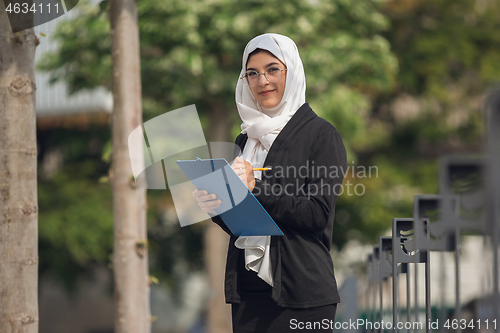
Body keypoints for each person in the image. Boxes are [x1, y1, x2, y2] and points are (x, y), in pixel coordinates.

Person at [193, 33, 347, 333]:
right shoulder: (245, 139)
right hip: (249, 294)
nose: (262, 81)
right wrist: (217, 207)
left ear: (292, 71)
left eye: (273, 69)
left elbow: (317, 215)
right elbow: (246, 223)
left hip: (302, 294)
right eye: (252, 73)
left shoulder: (320, 134)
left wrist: (257, 188)